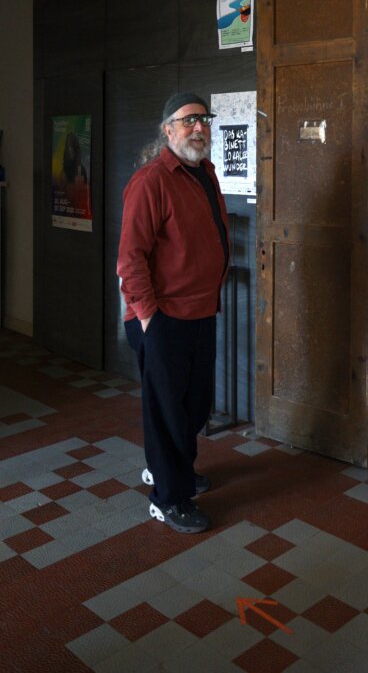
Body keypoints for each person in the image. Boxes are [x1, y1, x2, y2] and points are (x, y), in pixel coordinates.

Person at [117, 92, 230, 533]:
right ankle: (169, 498)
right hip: (162, 317)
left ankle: (173, 468)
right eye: (188, 121)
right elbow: (130, 258)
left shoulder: (205, 173)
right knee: (166, 410)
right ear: (168, 130)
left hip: (200, 311)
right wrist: (148, 315)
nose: (198, 128)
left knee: (193, 403)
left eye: (204, 120)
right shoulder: (151, 181)